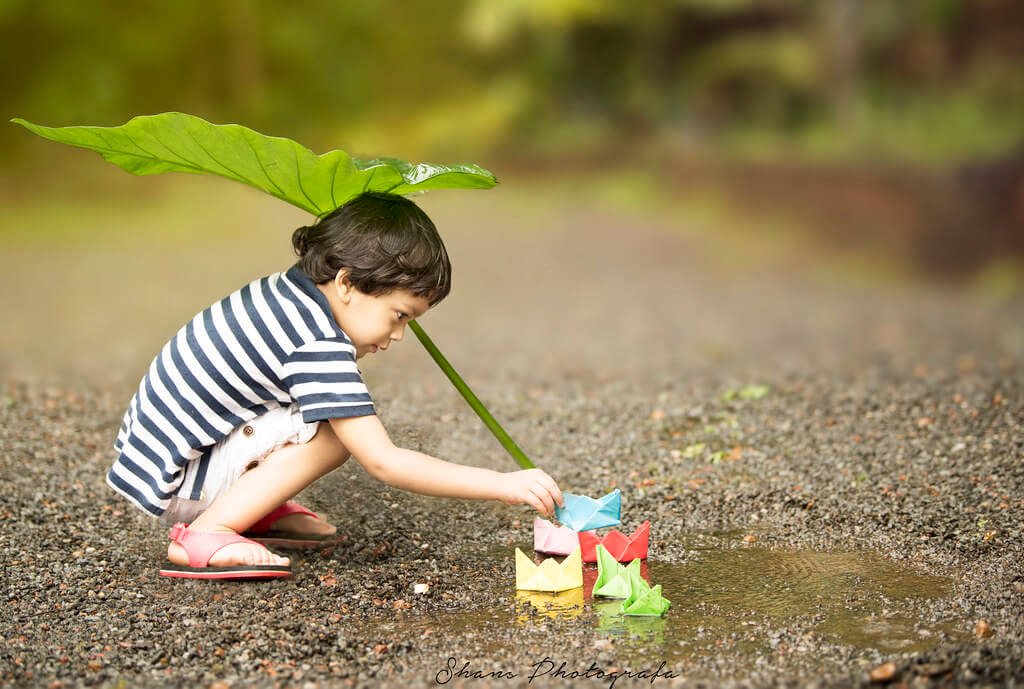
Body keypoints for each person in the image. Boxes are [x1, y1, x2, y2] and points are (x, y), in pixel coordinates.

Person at [108, 191, 563, 579]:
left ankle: (250, 507)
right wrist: (504, 484)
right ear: (347, 282)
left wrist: (389, 314)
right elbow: (385, 462)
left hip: (165, 457)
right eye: (400, 315)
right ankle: (207, 532)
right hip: (182, 479)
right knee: (333, 437)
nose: (399, 334)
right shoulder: (316, 340)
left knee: (325, 413)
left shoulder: (290, 293)